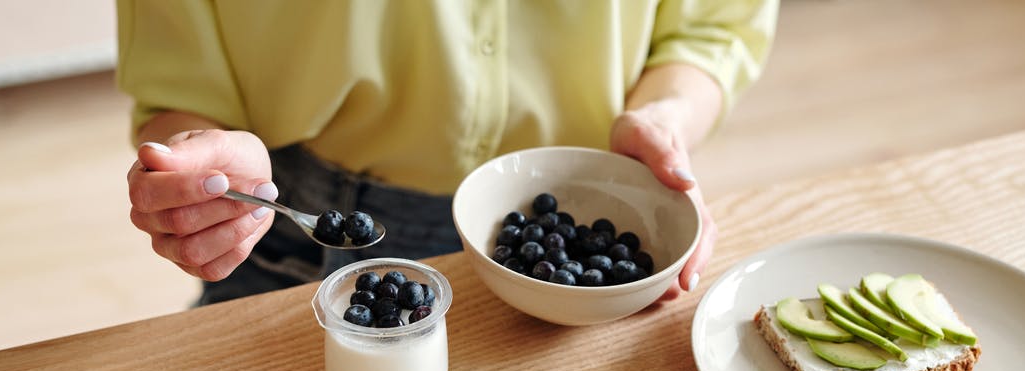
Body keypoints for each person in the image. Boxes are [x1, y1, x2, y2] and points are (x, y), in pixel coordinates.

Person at [117, 1, 778, 305]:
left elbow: (712, 27)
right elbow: (179, 86)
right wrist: (199, 163)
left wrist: (667, 122)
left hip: (583, 237)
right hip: (296, 236)